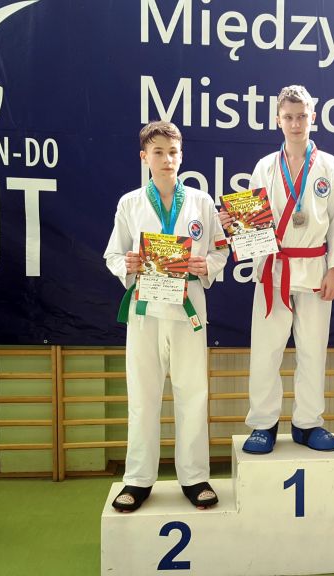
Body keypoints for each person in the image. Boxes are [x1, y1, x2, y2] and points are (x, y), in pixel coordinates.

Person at [104, 121, 228, 512]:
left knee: (193, 394)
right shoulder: (130, 203)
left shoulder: (202, 203)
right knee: (142, 396)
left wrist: (205, 265)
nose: (166, 159)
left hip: (188, 310)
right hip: (145, 311)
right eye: (158, 152)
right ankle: (138, 479)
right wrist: (127, 264)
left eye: (173, 152)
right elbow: (112, 255)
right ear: (145, 157)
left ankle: (195, 477)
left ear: (182, 155)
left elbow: (221, 250)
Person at [223, 85, 334, 454]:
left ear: (313, 117)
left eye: (302, 116)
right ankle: (263, 424)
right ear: (278, 120)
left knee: (313, 350)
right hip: (273, 268)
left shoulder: (330, 167)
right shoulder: (265, 167)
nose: (296, 123)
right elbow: (254, 224)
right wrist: (236, 227)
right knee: (266, 350)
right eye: (289, 117)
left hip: (315, 267)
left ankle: (308, 424)